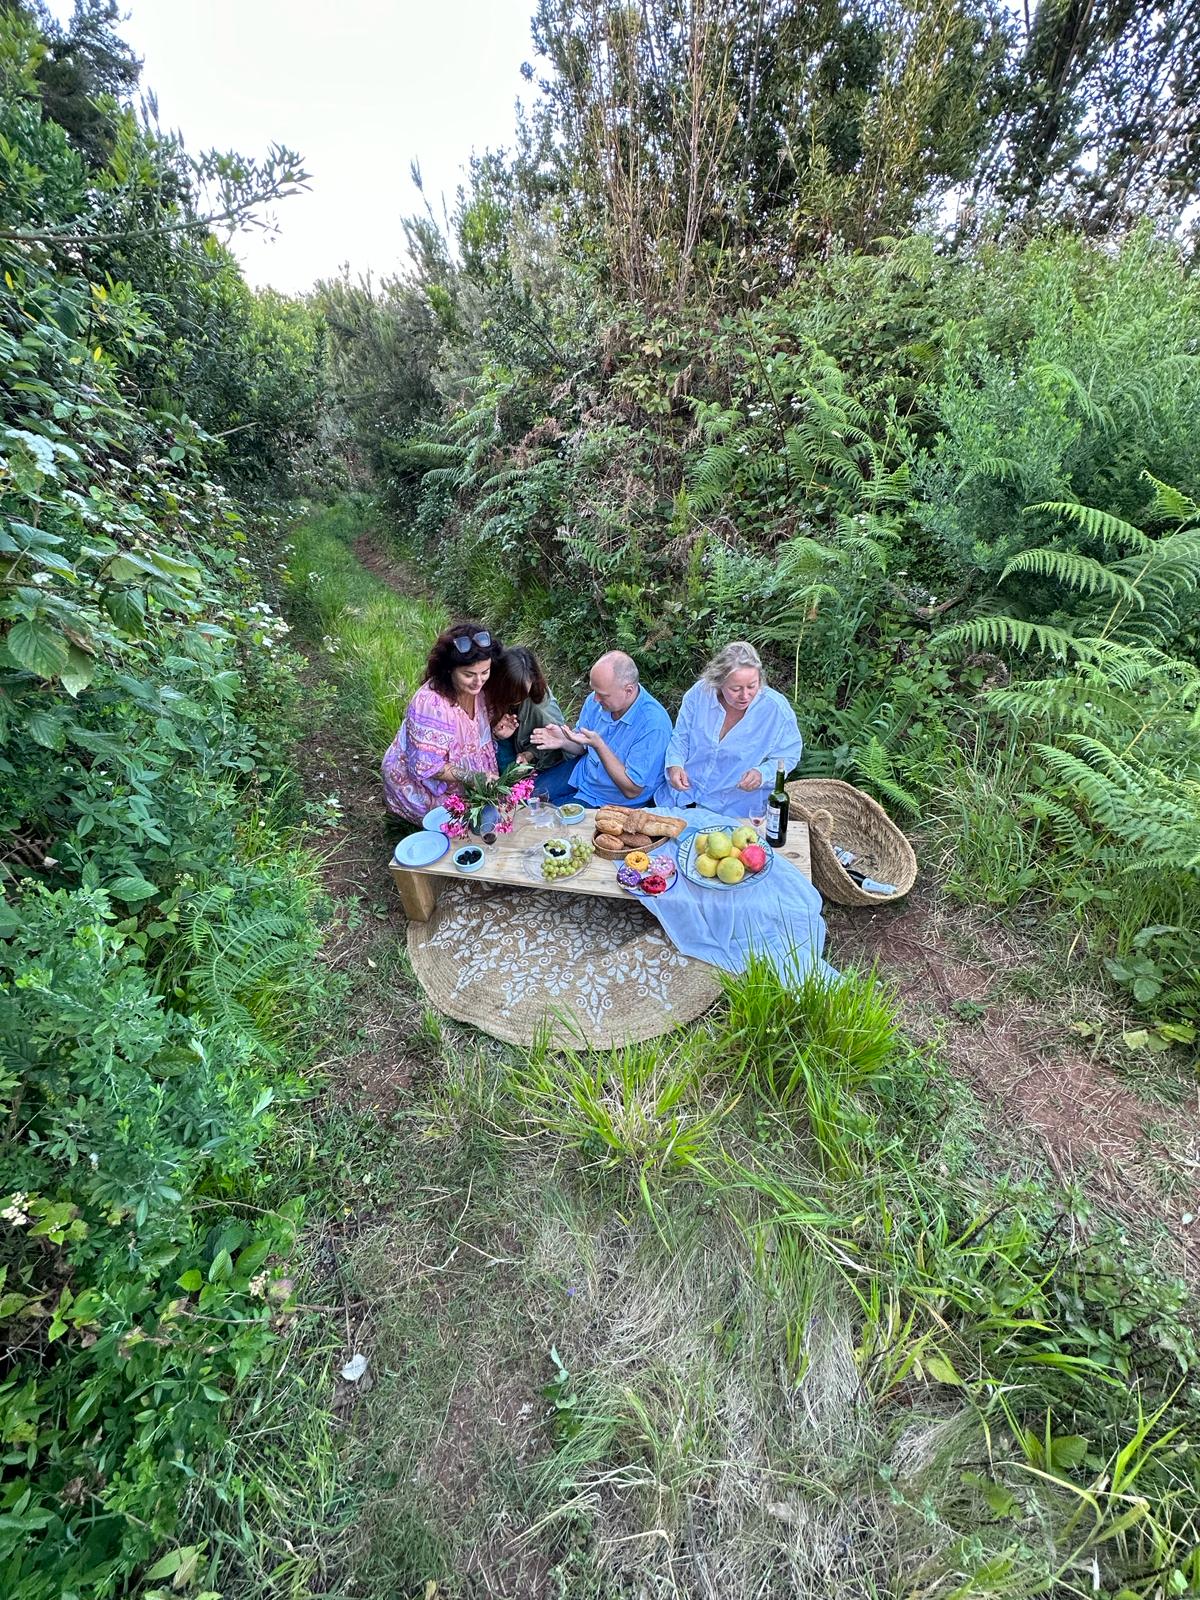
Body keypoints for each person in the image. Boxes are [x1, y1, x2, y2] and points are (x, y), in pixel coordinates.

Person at [381, 623, 517, 822]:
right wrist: (475, 778)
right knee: (461, 825)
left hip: (466, 771)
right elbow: (427, 767)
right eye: (469, 675)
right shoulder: (431, 704)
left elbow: (471, 732)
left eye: (484, 672)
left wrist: (495, 731)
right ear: (448, 670)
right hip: (424, 780)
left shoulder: (482, 690)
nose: (478, 682)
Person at [655, 640, 802, 816]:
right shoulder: (700, 694)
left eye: (752, 686)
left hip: (733, 810)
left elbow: (789, 755)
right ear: (719, 681)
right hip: (681, 799)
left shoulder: (776, 710)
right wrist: (674, 765)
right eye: (735, 688)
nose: (744, 695)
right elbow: (681, 737)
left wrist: (762, 773)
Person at [530, 650, 671, 808]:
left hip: (612, 799)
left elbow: (632, 790)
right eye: (594, 690)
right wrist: (564, 740)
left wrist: (600, 746)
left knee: (551, 817)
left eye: (602, 694)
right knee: (528, 797)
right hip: (583, 772)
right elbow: (582, 747)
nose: (595, 699)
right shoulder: (596, 700)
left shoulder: (653, 725)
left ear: (629, 690)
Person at [485, 646, 567, 774]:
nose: (514, 699)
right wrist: (496, 734)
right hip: (504, 739)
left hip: (531, 758)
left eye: (520, 695)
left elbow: (557, 744)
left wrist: (528, 755)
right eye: (507, 693)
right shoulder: (488, 686)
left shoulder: (542, 709)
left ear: (533, 679)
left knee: (509, 773)